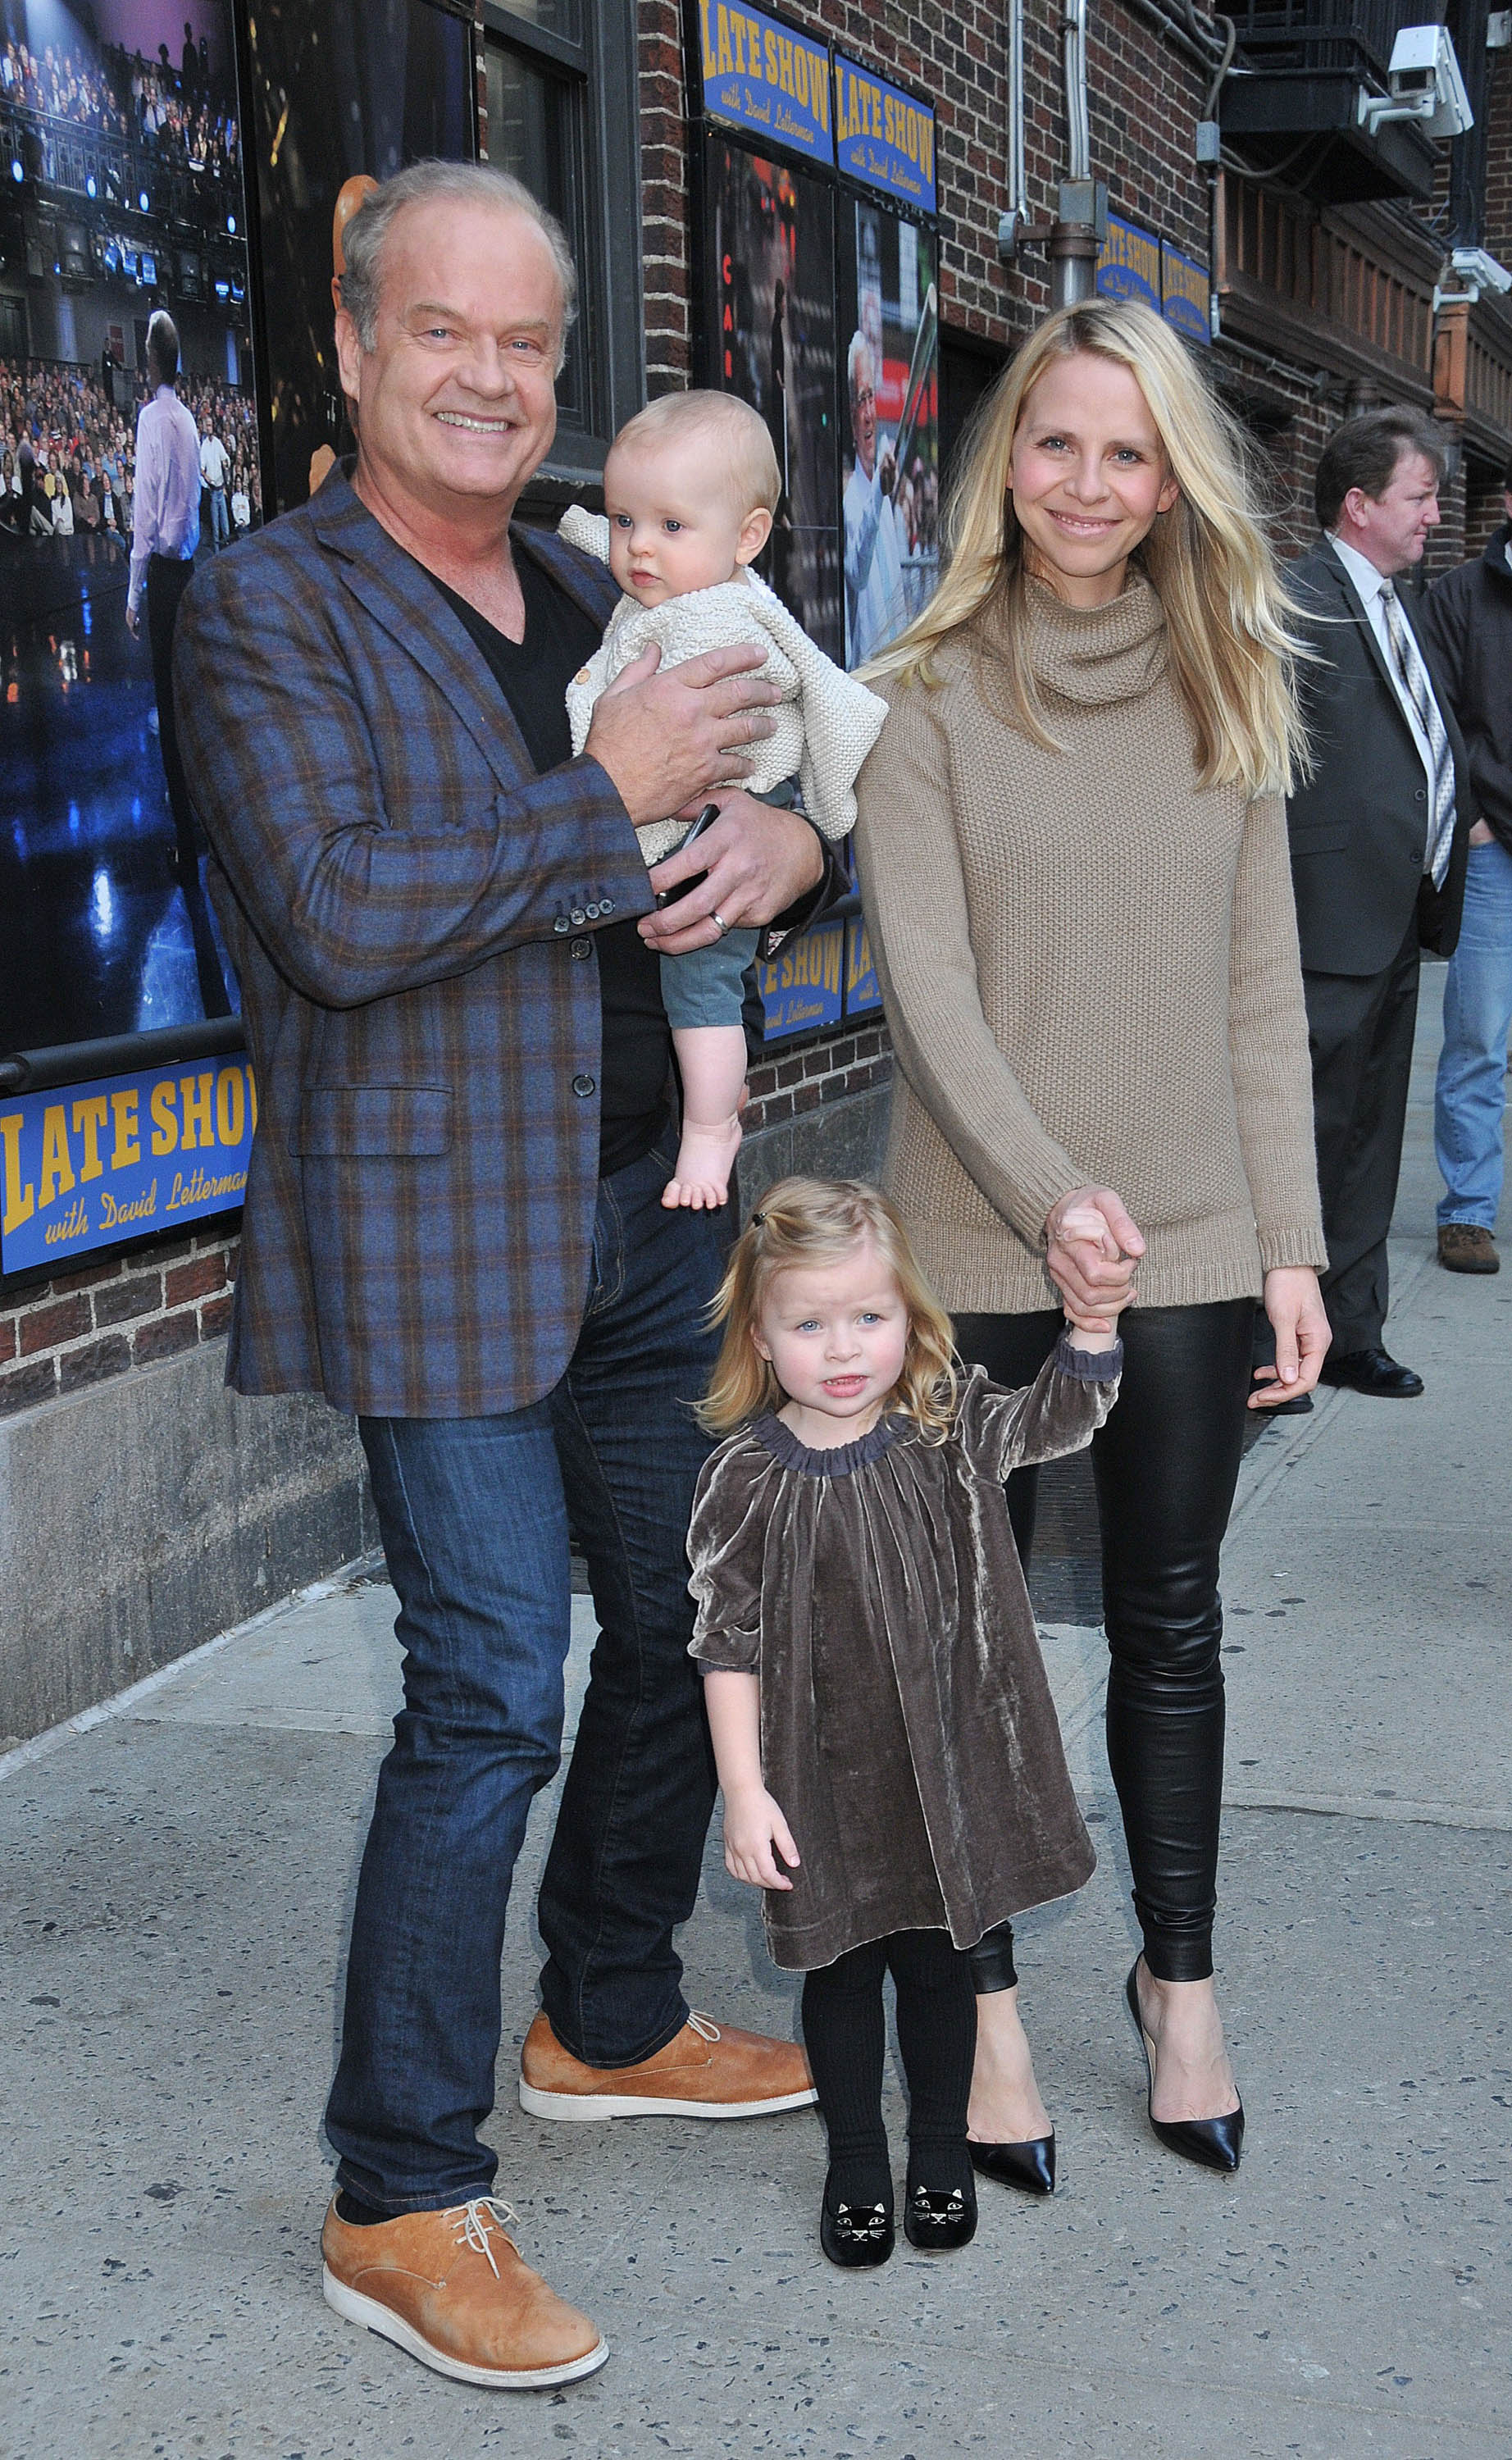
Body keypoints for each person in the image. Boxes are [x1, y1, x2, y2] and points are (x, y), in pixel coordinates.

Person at [172, 160, 840, 2393]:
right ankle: (396, 2191)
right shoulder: (266, 605)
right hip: (439, 1234)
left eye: (527, 341)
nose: (486, 375)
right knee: (483, 1691)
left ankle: (609, 2011)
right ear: (356, 345)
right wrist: (610, 789)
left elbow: (771, 787)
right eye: (440, 330)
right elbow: (337, 911)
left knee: (680, 1620)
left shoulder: (590, 578)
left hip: (653, 1215)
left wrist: (787, 839)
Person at [854, 297, 1331, 2185]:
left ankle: (1177, 1983)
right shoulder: (922, 695)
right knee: (967, 1641)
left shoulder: (1232, 684)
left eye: (1126, 452)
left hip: (1195, 1244)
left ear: (1171, 482)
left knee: (1168, 1622)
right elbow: (931, 998)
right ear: (1004, 462)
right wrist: (1056, 1201)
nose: (1084, 482)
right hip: (976, 1242)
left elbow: (1261, 993)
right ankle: (980, 2013)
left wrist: (1289, 1244)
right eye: (1053, 442)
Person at [689, 1178, 1120, 2266]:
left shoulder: (947, 1423)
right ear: (760, 1337)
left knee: (939, 1969)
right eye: (808, 1324)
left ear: (910, 1317)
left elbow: (1056, 1419)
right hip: (817, 1784)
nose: (843, 1349)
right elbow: (726, 1645)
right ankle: (854, 2162)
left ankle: (936, 2146)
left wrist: (1093, 1326)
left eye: (868, 1317)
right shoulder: (742, 1479)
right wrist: (743, 1791)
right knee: (838, 1975)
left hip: (944, 1771)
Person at [561, 390, 886, 1206]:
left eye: (670, 525)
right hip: (672, 830)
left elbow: (828, 690)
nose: (638, 546)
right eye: (624, 520)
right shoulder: (663, 587)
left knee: (699, 979)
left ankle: (710, 1129)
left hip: (715, 822)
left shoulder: (731, 613)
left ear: (746, 537)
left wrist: (817, 825)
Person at [1287, 409, 1473, 1392]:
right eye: (1420, 497)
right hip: (1320, 922)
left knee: (1365, 1140)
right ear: (1357, 505)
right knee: (1304, 1143)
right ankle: (1273, 1347)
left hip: (1398, 916)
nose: (1434, 516)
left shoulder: (1401, 603)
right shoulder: (1294, 602)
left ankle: (1352, 1334)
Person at [1419, 458, 1512, 1275]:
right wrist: (1473, 824)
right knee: (1478, 1037)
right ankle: (1468, 1213)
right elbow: (1437, 716)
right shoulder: (1458, 596)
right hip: (1494, 854)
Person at [128, 308, 202, 877]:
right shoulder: (191, 422)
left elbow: (144, 515)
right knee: (190, 705)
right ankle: (200, 823)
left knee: (171, 712)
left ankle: (186, 840)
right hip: (191, 571)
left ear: (151, 362)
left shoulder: (152, 420)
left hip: (163, 578)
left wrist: (133, 595)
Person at [842, 332, 905, 668]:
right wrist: (880, 493)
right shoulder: (849, 495)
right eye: (859, 400)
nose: (868, 414)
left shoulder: (885, 477)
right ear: (850, 416)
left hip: (900, 664)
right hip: (868, 670)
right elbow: (856, 572)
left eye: (871, 398)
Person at [199, 416, 230, 549]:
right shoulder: (204, 446)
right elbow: (201, 468)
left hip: (221, 488)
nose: (209, 428)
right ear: (205, 428)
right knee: (215, 524)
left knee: (225, 522)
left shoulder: (217, 442)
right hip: (212, 491)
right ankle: (217, 548)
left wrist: (226, 463)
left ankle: (228, 544)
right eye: (207, 425)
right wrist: (206, 476)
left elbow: (225, 458)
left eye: (211, 425)